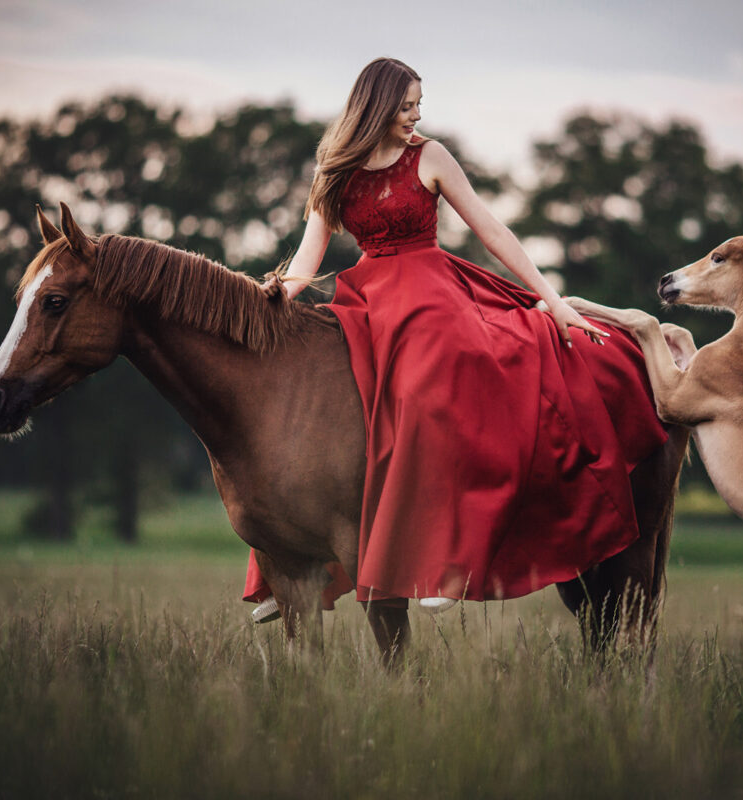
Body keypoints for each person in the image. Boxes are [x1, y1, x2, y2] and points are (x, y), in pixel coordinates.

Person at [244, 57, 667, 622]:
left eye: (419, 105)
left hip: (431, 293)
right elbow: (305, 260)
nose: (416, 116)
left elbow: (491, 229)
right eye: (405, 106)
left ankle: (445, 560)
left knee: (430, 386)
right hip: (368, 298)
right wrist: (270, 298)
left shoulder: (430, 155)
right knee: (329, 410)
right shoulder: (334, 170)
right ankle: (290, 569)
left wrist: (555, 300)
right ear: (375, 107)